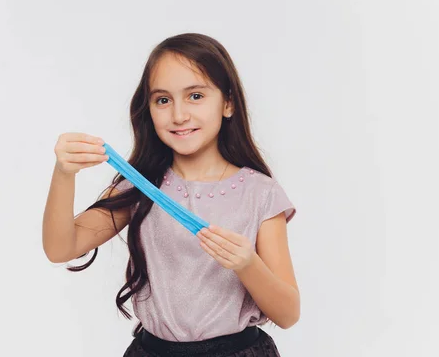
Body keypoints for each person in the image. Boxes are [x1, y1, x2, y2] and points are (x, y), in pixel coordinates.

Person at [43, 33, 299, 356]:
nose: (179, 115)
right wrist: (64, 174)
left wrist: (248, 264)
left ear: (228, 102)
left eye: (195, 96)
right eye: (163, 100)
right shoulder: (140, 186)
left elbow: (288, 314)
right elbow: (60, 247)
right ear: (148, 108)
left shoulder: (260, 194)